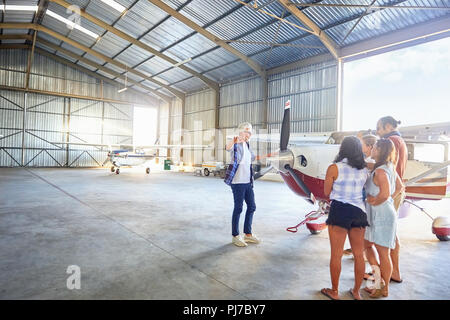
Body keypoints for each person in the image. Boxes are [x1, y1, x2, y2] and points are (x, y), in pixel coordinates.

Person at [321, 136, 370, 300]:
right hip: (359, 212)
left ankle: (334, 291)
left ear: (342, 149)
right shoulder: (365, 169)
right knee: (358, 255)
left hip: (340, 210)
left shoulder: (334, 168)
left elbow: (327, 192)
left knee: (336, 254)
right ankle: (356, 291)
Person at [363, 139, 404, 298]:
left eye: (374, 147)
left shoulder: (380, 171)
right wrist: (386, 200)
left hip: (381, 215)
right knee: (367, 245)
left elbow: (385, 193)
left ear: (380, 150)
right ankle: (378, 279)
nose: (371, 149)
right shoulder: (388, 167)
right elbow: (400, 187)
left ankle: (384, 288)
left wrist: (378, 200)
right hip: (381, 212)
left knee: (383, 252)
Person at [376, 116, 408, 283]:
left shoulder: (392, 141)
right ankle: (391, 270)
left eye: (379, 129)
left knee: (389, 233)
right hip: (393, 190)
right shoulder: (399, 139)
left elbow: (388, 167)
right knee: (390, 232)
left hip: (389, 191)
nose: (378, 134)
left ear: (388, 126)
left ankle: (393, 271)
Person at [224, 122, 260, 247]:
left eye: (250, 132)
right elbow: (227, 147)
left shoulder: (248, 146)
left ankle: (248, 234)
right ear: (240, 132)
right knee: (238, 208)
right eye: (246, 131)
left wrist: (272, 156)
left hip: (247, 182)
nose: (248, 134)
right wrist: (235, 140)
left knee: (252, 207)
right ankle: (235, 236)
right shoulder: (236, 143)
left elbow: (254, 157)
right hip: (237, 182)